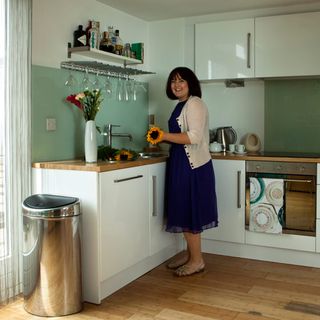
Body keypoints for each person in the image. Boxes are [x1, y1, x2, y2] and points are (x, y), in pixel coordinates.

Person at [159, 66, 218, 277]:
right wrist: (162, 137)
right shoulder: (180, 105)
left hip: (192, 166)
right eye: (173, 81)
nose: (176, 85)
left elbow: (194, 137)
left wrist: (163, 135)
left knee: (190, 211)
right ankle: (190, 255)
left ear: (190, 83)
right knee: (184, 210)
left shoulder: (195, 103)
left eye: (181, 80)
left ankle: (197, 261)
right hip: (180, 163)